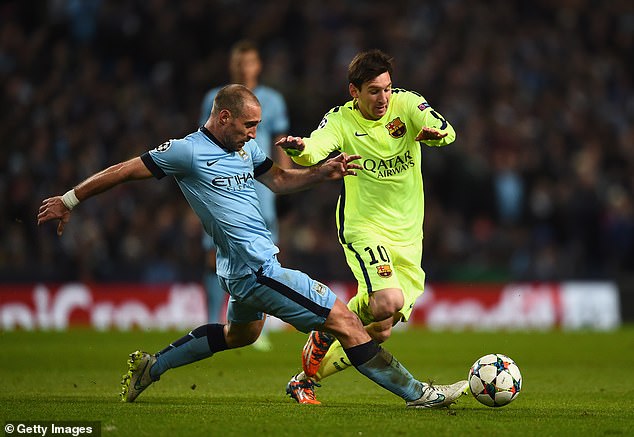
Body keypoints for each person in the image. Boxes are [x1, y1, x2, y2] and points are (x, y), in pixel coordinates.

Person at [37, 84, 468, 408]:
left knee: (241, 334)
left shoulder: (244, 149)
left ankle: (154, 365)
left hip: (238, 269)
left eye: (256, 126)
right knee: (345, 321)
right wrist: (70, 199)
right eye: (248, 125)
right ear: (223, 117)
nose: (253, 134)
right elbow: (124, 170)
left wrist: (322, 172)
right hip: (258, 270)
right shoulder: (186, 152)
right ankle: (419, 393)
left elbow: (278, 180)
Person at [277, 50, 457, 404]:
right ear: (353, 92)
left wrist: (436, 135)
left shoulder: (408, 106)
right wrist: (300, 149)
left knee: (381, 328)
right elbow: (315, 149)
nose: (383, 98)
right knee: (386, 301)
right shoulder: (341, 120)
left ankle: (304, 379)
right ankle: (331, 321)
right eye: (374, 91)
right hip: (364, 227)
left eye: (387, 89)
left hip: (407, 233)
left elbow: (447, 130)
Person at [199, 41, 290, 351]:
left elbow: (280, 142)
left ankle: (256, 325)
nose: (243, 67)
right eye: (238, 62)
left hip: (262, 188)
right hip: (223, 188)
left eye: (248, 62)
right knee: (214, 255)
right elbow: (202, 144)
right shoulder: (215, 98)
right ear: (231, 65)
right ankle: (213, 318)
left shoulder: (273, 100)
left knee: (262, 259)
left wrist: (283, 183)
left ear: (258, 65)